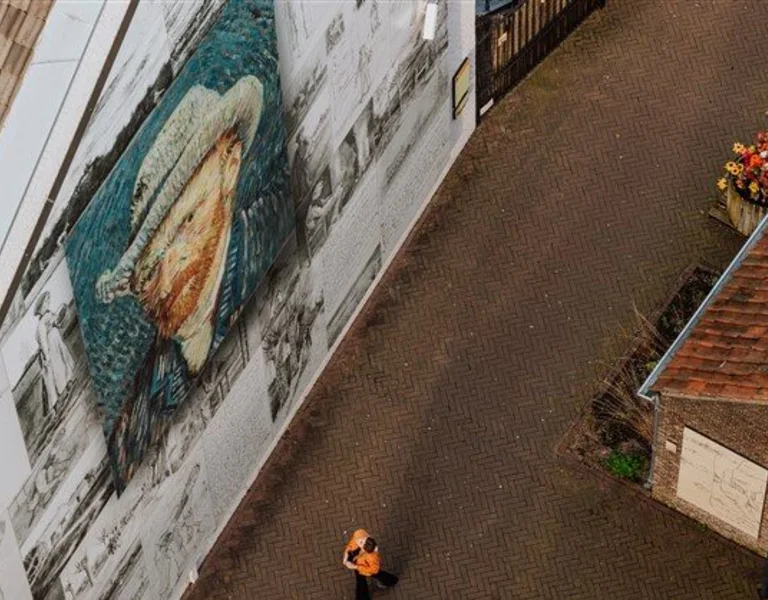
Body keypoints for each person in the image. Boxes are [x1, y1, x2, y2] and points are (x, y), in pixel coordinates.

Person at [34, 291, 75, 415]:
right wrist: (46, 355)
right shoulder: (41, 325)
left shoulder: (49, 314)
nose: (48, 303)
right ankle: (57, 403)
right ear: (40, 309)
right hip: (50, 350)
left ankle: (68, 383)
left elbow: (56, 322)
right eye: (45, 302)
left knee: (63, 361)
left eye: (48, 301)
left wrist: (59, 318)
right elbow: (43, 341)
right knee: (54, 373)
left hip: (57, 343)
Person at [342, 529, 398, 600]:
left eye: (361, 542)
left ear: (365, 550)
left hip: (365, 566)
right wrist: (347, 551)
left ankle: (362, 598)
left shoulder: (372, 557)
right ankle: (391, 580)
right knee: (375, 576)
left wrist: (356, 567)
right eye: (362, 540)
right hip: (359, 561)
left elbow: (374, 570)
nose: (359, 541)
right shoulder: (360, 534)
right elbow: (353, 541)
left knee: (362, 581)